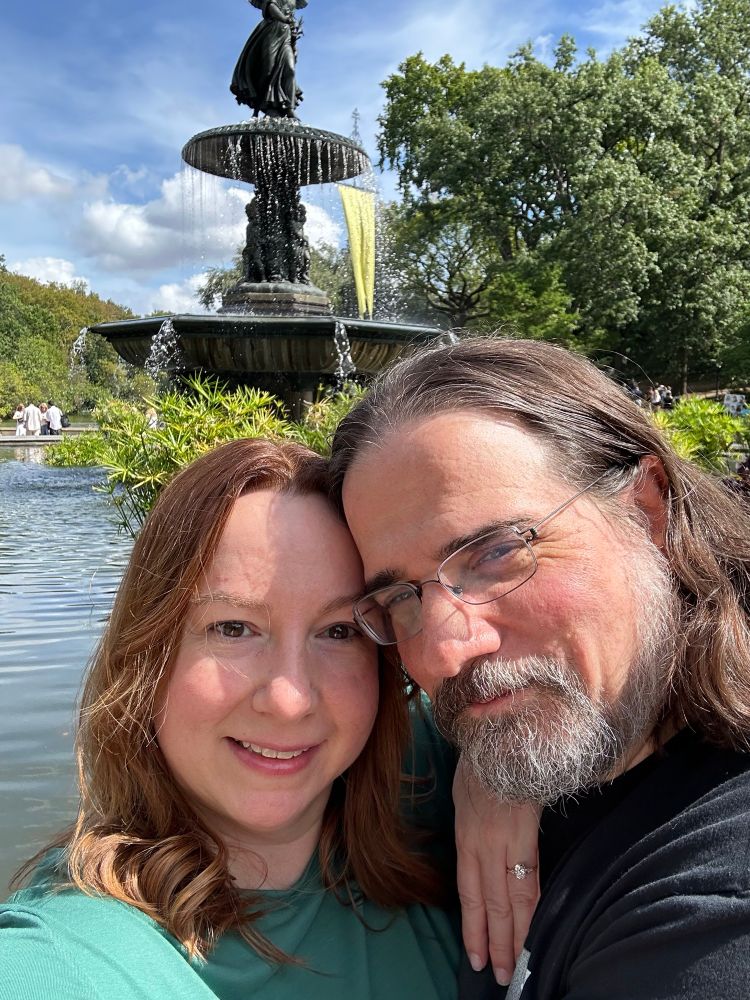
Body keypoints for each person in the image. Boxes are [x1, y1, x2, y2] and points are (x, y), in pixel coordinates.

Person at [0, 437, 533, 999]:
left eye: (339, 632)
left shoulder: (425, 782)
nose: (289, 700)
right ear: (147, 653)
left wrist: (501, 772)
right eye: (233, 628)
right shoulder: (70, 954)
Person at [330, 336, 750, 1000]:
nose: (443, 652)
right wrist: (492, 772)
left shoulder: (712, 917)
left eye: (496, 552)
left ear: (645, 514)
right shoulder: (552, 749)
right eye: (399, 598)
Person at [230, 0, 307, 119]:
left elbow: (291, 22)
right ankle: (262, 105)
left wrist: (294, 44)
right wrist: (284, 18)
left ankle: (289, 108)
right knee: (268, 70)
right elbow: (271, 6)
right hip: (271, 32)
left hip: (286, 35)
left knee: (290, 70)